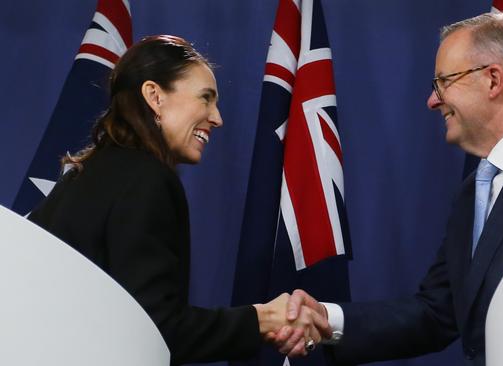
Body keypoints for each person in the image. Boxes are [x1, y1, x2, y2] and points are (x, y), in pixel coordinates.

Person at [275, 11, 503, 364]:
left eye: (443, 81)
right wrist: (327, 320)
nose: (432, 100)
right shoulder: (474, 190)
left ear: (493, 80)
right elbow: (437, 313)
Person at [27, 35, 329, 365]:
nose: (217, 118)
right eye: (206, 98)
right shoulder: (147, 180)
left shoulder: (84, 176)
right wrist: (262, 319)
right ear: (155, 96)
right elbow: (154, 331)